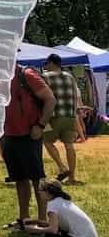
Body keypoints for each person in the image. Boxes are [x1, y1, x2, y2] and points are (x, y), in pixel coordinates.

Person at [1, 64, 55, 231]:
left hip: (29, 134)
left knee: (36, 179)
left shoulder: (27, 74)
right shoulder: (0, 76)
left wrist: (41, 125)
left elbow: (50, 99)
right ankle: (24, 219)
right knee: (19, 178)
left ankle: (42, 220)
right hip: (8, 134)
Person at [41, 54, 83, 184]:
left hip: (54, 116)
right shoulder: (70, 77)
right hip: (70, 116)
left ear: (52, 63)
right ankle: (72, 177)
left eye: (47, 63)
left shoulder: (45, 76)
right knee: (69, 146)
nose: (46, 66)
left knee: (47, 141)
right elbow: (75, 96)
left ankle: (62, 167)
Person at [24, 179, 98, 237]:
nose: (38, 192)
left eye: (40, 190)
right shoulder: (62, 200)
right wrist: (38, 222)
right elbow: (56, 226)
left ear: (47, 192)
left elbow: (53, 230)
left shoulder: (52, 205)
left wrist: (34, 229)